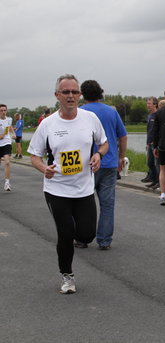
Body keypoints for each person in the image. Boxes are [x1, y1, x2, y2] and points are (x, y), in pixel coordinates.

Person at [28, 74, 108, 294]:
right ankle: (67, 276)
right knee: (65, 234)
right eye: (66, 92)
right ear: (57, 96)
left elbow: (104, 143)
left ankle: (74, 233)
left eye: (74, 92)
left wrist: (98, 155)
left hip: (83, 188)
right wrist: (44, 168)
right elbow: (34, 155)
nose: (71, 96)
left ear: (80, 95)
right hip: (57, 189)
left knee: (86, 235)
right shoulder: (47, 124)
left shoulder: (90, 118)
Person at [79, 80, 128, 250]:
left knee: (83, 202)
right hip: (109, 162)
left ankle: (82, 238)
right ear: (100, 92)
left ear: (82, 94)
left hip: (87, 164)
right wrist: (121, 157)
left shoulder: (80, 112)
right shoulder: (111, 112)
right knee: (107, 203)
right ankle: (104, 240)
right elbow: (122, 136)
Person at [0, 104, 16, 191]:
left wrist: (13, 134)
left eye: (4, 110)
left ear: (6, 111)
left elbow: (10, 127)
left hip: (7, 142)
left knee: (7, 162)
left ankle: (7, 183)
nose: (3, 112)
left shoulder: (9, 119)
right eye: (1, 111)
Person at [144, 97, 159, 187]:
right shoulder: (149, 116)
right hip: (150, 143)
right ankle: (153, 179)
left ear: (155, 104)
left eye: (149, 103)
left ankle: (158, 181)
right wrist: (147, 142)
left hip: (155, 143)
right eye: (147, 103)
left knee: (156, 163)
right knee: (149, 162)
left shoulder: (158, 115)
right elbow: (148, 130)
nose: (147, 105)